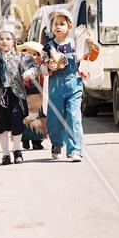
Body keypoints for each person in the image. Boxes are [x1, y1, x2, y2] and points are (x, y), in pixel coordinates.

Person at [0, 22, 38, 165]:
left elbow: (33, 67)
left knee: (17, 123)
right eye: (1, 38)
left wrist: (29, 72)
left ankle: (17, 150)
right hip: (0, 95)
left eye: (8, 39)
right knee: (2, 126)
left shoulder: (22, 57)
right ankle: (5, 154)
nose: (4, 41)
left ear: (14, 42)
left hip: (16, 95)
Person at [43, 9, 96, 162]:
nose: (58, 27)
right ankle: (56, 144)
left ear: (70, 26)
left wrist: (91, 46)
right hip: (55, 86)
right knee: (54, 119)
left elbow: (90, 58)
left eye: (62, 24)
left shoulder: (77, 43)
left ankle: (75, 150)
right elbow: (41, 65)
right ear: (52, 27)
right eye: (55, 24)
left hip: (74, 84)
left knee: (74, 117)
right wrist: (49, 67)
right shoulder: (49, 46)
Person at [17, 41, 46, 150]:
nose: (31, 56)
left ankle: (37, 141)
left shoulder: (41, 68)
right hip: (24, 97)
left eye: (34, 54)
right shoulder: (20, 67)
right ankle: (24, 140)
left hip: (37, 97)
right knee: (24, 119)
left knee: (38, 120)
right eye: (28, 53)